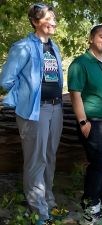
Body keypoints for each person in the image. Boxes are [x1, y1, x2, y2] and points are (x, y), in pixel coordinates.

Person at [0, 3, 63, 225]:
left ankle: (48, 200)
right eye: (49, 17)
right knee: (36, 160)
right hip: (34, 111)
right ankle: (39, 213)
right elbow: (6, 79)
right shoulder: (23, 46)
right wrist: (25, 95)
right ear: (36, 22)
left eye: (54, 17)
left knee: (50, 157)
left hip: (56, 108)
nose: (54, 21)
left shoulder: (54, 47)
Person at [68, 25, 102, 224]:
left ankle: (101, 194)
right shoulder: (80, 63)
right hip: (93, 124)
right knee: (97, 165)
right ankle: (90, 203)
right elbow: (75, 95)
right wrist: (83, 122)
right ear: (91, 39)